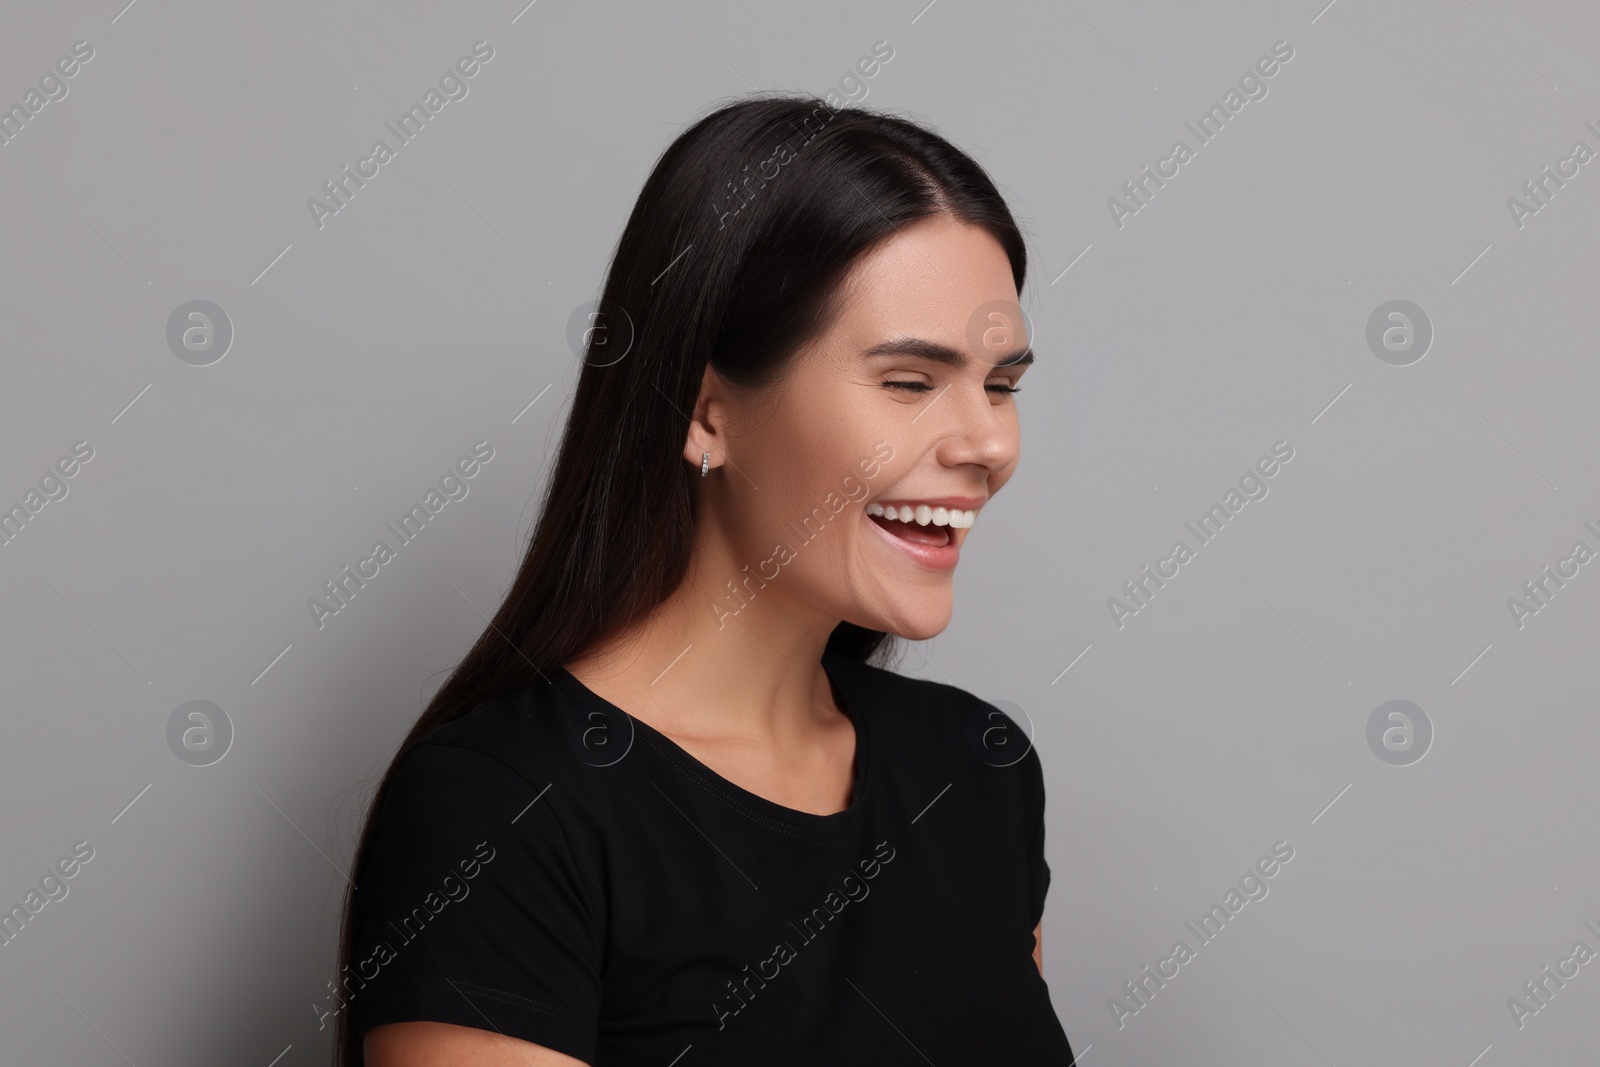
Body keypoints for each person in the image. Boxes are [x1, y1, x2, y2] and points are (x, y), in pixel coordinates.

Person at [337, 92, 1074, 1065]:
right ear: (706, 410)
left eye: (1001, 384)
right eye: (908, 381)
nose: (987, 441)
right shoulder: (502, 807)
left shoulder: (974, 767)